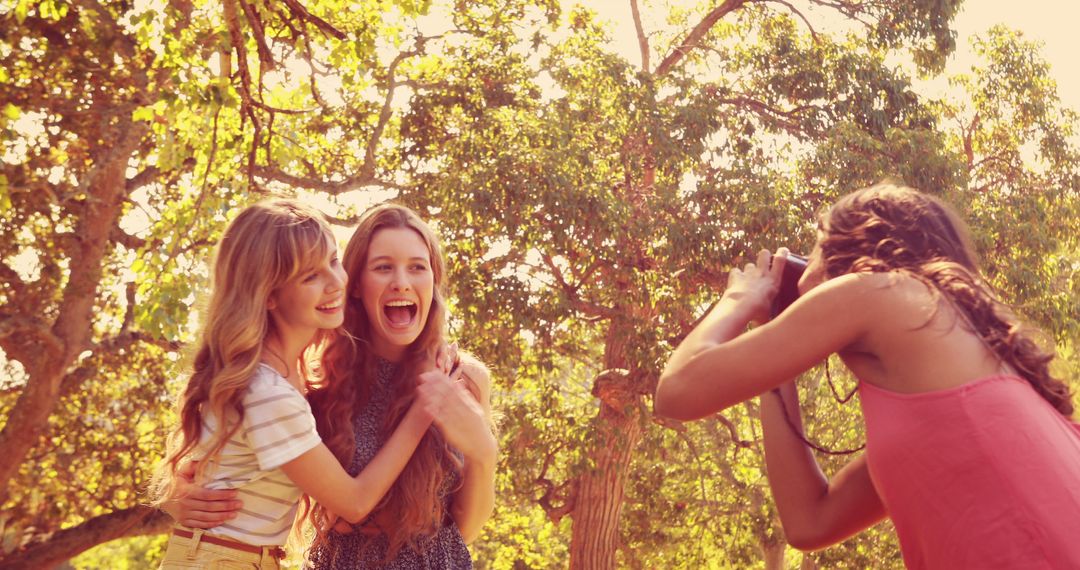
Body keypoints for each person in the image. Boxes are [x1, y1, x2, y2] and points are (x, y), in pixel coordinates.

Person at [654, 183, 1080, 568]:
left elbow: (677, 391)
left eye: (816, 247)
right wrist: (774, 361)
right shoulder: (955, 398)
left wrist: (739, 297)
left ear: (850, 252)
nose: (803, 275)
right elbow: (810, 523)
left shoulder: (881, 291)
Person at [163, 203, 497, 569]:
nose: (402, 281)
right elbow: (219, 453)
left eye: (418, 267)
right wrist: (176, 494)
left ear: (433, 281)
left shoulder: (461, 379)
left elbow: (464, 528)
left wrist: (484, 452)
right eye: (383, 267)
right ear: (357, 284)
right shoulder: (314, 379)